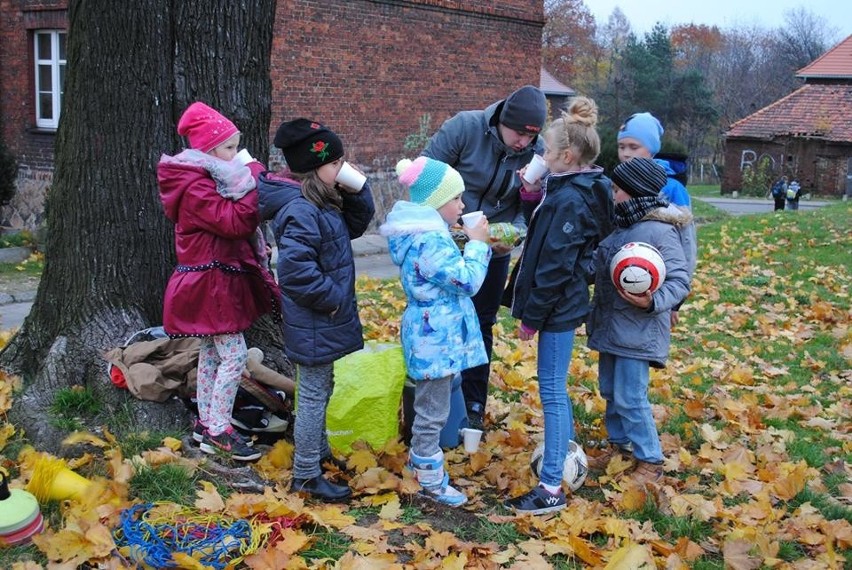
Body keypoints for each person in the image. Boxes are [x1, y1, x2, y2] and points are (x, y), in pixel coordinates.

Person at [501, 96, 614, 515]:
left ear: (566, 156)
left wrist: (532, 316)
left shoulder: (572, 199)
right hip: (560, 305)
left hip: (557, 308)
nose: (541, 156)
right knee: (556, 390)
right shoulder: (573, 187)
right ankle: (558, 467)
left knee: (551, 389)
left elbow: (554, 264)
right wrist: (534, 191)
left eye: (546, 151)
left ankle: (551, 487)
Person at [258, 118, 375, 502]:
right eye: (336, 163)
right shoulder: (300, 210)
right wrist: (333, 298)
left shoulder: (323, 202)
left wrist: (357, 189)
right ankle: (306, 474)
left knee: (322, 388)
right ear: (315, 166)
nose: (342, 169)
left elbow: (355, 226)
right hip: (315, 319)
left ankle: (318, 451)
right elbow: (294, 273)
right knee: (311, 394)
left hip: (321, 320)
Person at [157, 101, 280, 462]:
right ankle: (219, 430)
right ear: (209, 151)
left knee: (213, 352)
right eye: (229, 147)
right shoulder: (194, 185)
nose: (236, 154)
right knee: (235, 354)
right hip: (208, 283)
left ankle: (208, 422)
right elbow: (233, 222)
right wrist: (254, 178)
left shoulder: (207, 177)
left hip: (215, 279)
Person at [422, 85, 548, 430]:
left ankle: (473, 405)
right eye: (519, 132)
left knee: (481, 322)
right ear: (502, 121)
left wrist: (516, 234)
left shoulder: (538, 154)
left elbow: (535, 205)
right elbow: (424, 178)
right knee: (438, 320)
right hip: (447, 243)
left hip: (492, 251)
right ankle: (431, 406)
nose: (523, 142)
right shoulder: (464, 128)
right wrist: (445, 226)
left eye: (531, 136)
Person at [379, 157, 491, 507]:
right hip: (434, 339)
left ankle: (420, 461)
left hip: (433, 336)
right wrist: (477, 244)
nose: (462, 205)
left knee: (433, 404)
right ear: (435, 202)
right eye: (456, 198)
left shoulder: (425, 236)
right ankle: (428, 475)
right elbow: (466, 280)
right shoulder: (430, 240)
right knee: (432, 411)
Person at [585, 158, 691, 486]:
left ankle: (650, 460)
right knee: (610, 391)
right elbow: (597, 268)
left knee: (631, 396)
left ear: (634, 193)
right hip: (610, 328)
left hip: (639, 331)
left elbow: (679, 278)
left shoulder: (660, 231)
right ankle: (621, 448)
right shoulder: (621, 227)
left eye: (617, 190)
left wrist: (653, 302)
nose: (613, 195)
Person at [616, 112, 697, 327]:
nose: (626, 153)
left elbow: (686, 242)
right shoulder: (619, 185)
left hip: (657, 286)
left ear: (651, 149)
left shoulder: (672, 187)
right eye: (622, 146)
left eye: (634, 147)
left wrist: (674, 302)